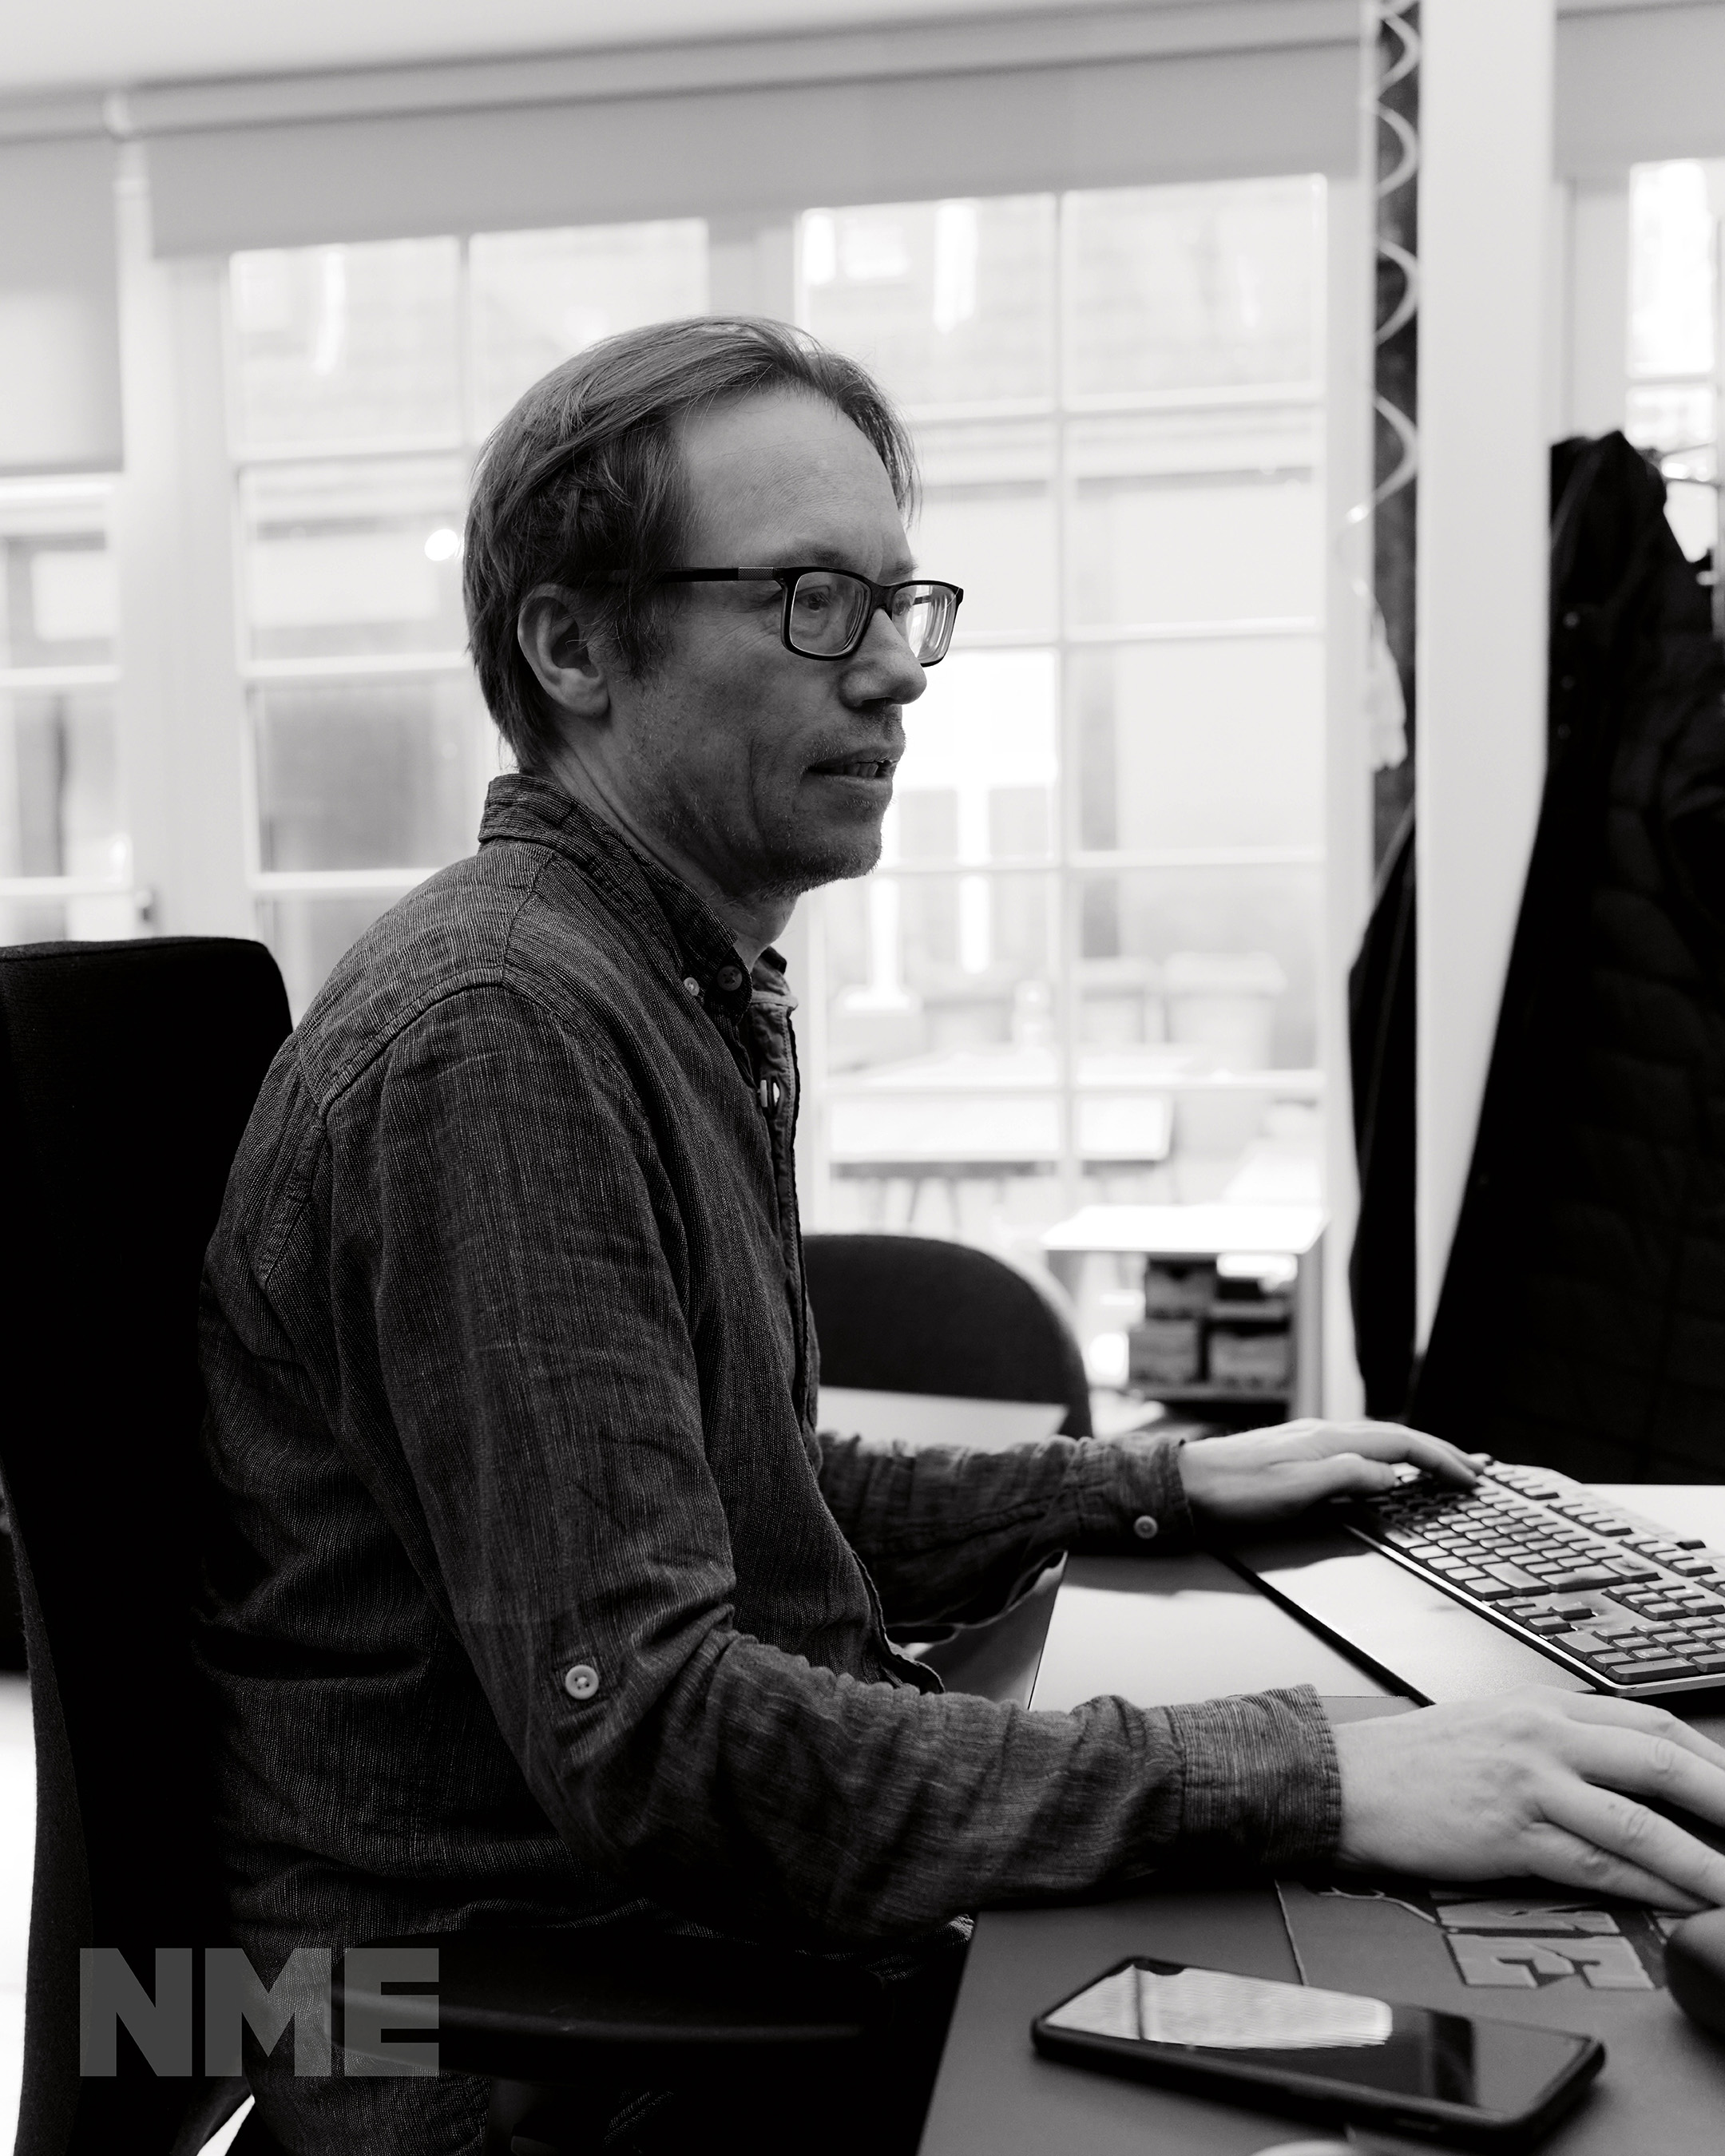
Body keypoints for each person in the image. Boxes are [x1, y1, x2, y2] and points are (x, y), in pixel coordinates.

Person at [199, 317, 1725, 2156]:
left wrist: (1150, 1490)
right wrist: (1314, 1775)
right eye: (812, 605)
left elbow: (739, 1494)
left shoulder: (658, 979)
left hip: (670, 1951)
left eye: (902, 605)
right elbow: (659, 1735)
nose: (899, 677)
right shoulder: (501, 1036)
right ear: (572, 645)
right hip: (528, 2042)